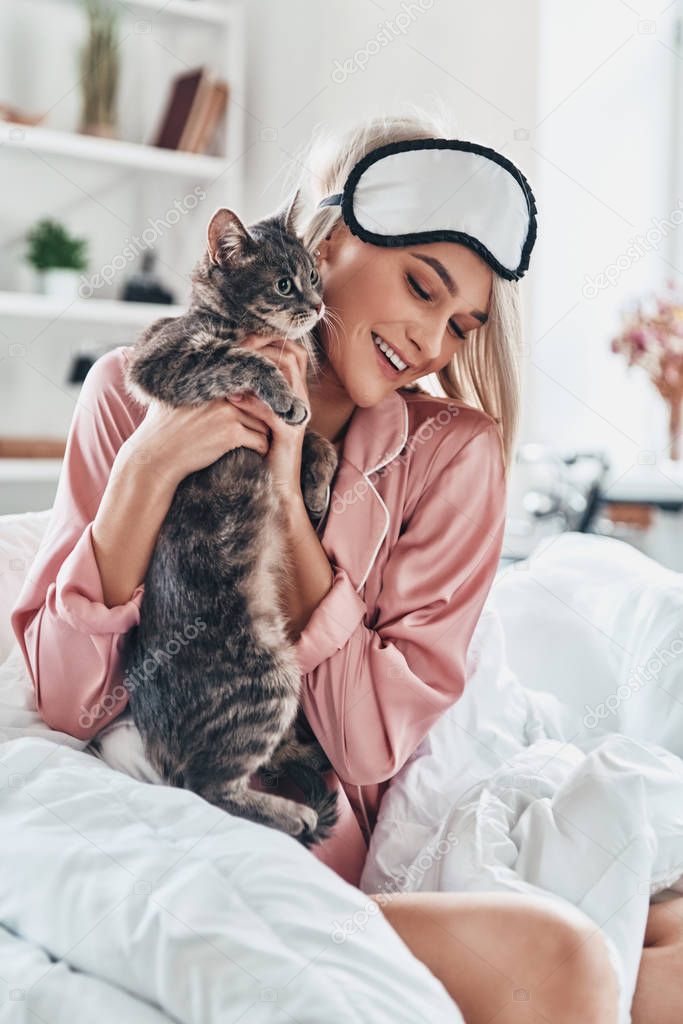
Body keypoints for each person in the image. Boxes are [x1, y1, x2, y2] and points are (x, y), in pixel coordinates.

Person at [16, 107, 677, 1023]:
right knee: (563, 958)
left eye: (460, 325)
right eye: (421, 285)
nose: (432, 342)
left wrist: (288, 504)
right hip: (186, 821)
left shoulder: (451, 454)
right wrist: (146, 468)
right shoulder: (133, 391)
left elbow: (367, 743)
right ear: (325, 239)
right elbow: (66, 702)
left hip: (335, 847)